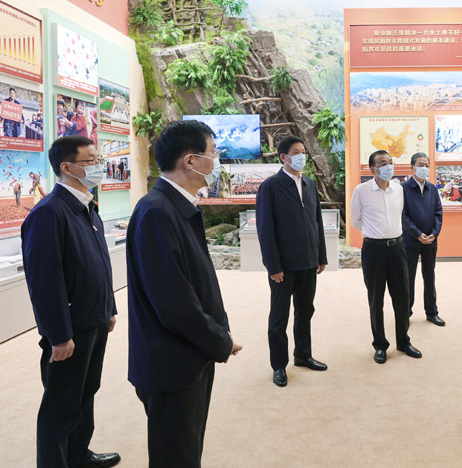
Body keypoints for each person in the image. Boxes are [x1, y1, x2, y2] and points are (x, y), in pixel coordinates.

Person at [127, 120, 243, 467]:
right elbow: (174, 303)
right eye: (213, 153)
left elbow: (195, 284)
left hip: (190, 354)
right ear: (190, 161)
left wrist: (219, 331)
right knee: (175, 456)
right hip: (172, 363)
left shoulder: (176, 206)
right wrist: (218, 340)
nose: (216, 160)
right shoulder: (157, 212)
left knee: (187, 450)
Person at [21, 136, 120, 468]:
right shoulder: (49, 212)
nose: (98, 165)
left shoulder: (87, 206)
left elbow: (99, 264)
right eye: (90, 160)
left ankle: (78, 456)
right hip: (70, 329)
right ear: (67, 167)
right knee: (61, 405)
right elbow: (44, 282)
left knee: (86, 392)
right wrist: (59, 335)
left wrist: (108, 308)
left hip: (94, 319)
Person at [256, 135, 328, 388]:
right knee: (279, 316)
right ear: (283, 157)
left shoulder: (309, 183)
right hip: (283, 267)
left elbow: (317, 222)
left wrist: (321, 256)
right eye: (296, 152)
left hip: (308, 262)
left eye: (303, 152)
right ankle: (279, 365)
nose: (302, 157)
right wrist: (273, 266)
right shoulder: (270, 187)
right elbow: (265, 230)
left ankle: (303, 355)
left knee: (305, 311)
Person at [351, 150, 422, 364]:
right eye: (382, 163)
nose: (388, 166)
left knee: (402, 297)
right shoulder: (362, 191)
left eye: (390, 162)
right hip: (374, 250)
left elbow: (400, 214)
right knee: (376, 298)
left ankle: (403, 341)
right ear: (372, 169)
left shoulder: (398, 189)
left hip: (397, 248)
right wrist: (375, 233)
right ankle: (380, 345)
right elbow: (355, 220)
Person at [401, 152, 444, 326]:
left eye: (426, 165)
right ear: (412, 167)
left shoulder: (432, 189)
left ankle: (432, 312)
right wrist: (418, 234)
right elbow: (403, 215)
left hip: (430, 241)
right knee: (408, 278)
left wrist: (435, 233)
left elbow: (438, 212)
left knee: (430, 277)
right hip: (410, 241)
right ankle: (406, 312)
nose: (424, 168)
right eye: (420, 165)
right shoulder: (403, 188)